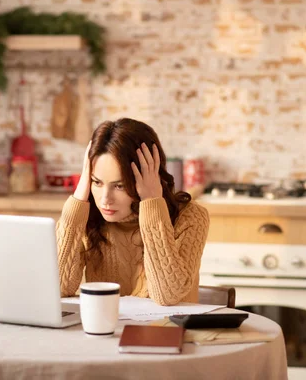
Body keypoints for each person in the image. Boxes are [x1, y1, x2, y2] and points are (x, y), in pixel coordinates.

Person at [56, 118, 210, 306]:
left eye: (119, 186)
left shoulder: (191, 217)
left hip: (166, 332)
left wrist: (152, 203)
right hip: (107, 332)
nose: (105, 199)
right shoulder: (87, 216)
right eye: (97, 182)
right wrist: (78, 200)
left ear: (150, 176)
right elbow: (60, 287)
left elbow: (167, 295)